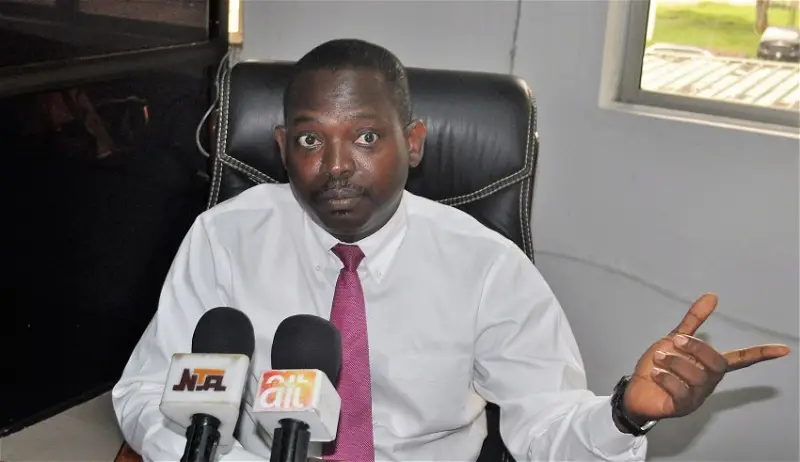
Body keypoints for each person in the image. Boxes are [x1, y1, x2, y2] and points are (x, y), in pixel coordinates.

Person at [112, 39, 790, 462]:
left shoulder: (487, 266)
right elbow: (146, 391)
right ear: (284, 148)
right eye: (312, 140)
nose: (337, 166)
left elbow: (545, 425)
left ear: (414, 143)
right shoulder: (225, 237)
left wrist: (623, 413)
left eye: (367, 137)